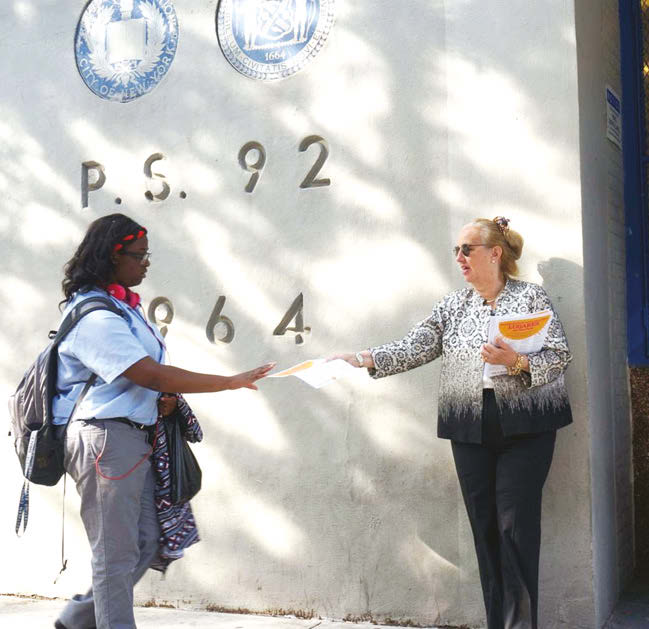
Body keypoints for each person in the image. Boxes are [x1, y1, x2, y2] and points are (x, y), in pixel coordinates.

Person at [331, 216, 572, 629]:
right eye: (456, 251)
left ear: (494, 253)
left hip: (527, 428)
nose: (458, 257)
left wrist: (514, 361)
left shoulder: (532, 298)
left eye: (466, 249)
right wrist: (365, 357)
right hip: (470, 426)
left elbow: (559, 356)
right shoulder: (452, 305)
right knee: (485, 532)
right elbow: (417, 344)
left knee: (515, 532)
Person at [52, 213, 274, 629]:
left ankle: (78, 619)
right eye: (139, 255)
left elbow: (145, 381)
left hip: (133, 440)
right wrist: (228, 382)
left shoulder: (123, 309)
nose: (147, 263)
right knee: (115, 554)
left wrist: (164, 403)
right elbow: (147, 373)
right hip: (105, 441)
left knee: (145, 541)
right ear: (112, 258)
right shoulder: (95, 315)